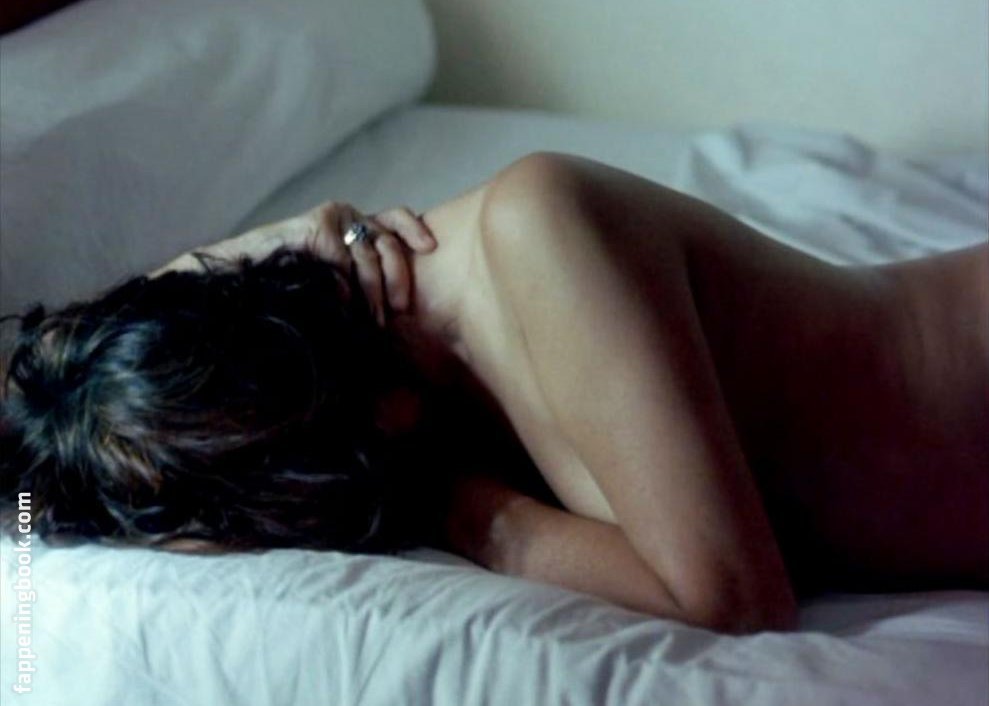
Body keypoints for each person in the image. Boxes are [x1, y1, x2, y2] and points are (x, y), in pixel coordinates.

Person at [2, 153, 986, 634]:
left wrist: (452, 505)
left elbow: (728, 599)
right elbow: (82, 369)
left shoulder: (538, 232)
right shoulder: (370, 370)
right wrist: (283, 237)